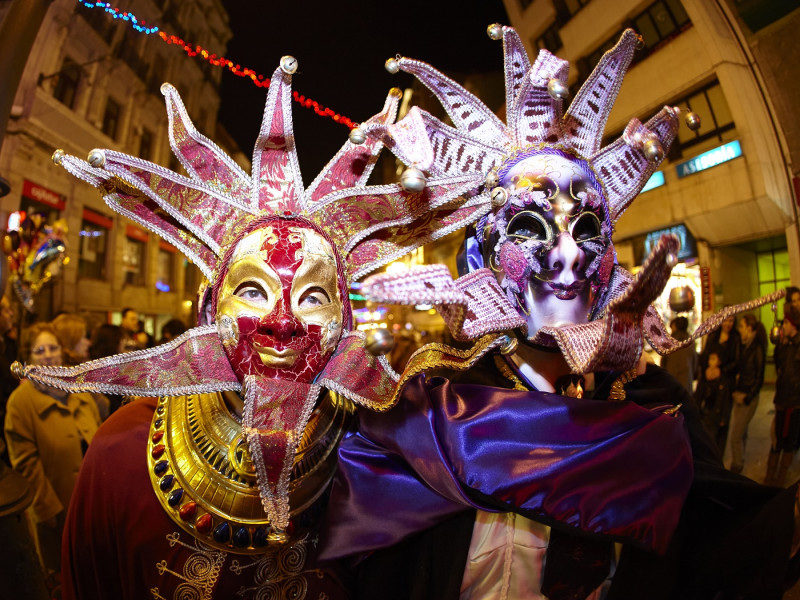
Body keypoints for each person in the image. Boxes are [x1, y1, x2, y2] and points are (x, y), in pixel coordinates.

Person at [320, 26, 799, 599]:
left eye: (588, 229)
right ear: (481, 256)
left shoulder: (655, 408)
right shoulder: (432, 410)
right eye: (530, 227)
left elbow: (719, 550)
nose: (568, 257)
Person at [30, 56, 484, 599]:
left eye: (314, 295)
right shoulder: (120, 454)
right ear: (207, 310)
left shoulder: (378, 462)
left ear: (346, 322)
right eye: (251, 290)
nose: (283, 321)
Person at [3, 322, 101, 593]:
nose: (47, 355)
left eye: (52, 347)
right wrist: (49, 513)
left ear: (62, 351)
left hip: (90, 511)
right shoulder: (20, 403)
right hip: (56, 515)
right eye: (39, 350)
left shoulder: (79, 390)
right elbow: (26, 464)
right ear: (29, 357)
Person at [728, 313, 767, 474]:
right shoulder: (746, 345)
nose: (739, 330)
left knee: (735, 436)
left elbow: (759, 377)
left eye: (742, 327)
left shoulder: (756, 348)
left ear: (749, 329)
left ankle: (737, 465)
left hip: (747, 397)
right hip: (740, 394)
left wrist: (747, 397)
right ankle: (741, 459)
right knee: (741, 432)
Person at [766, 305, 800, 485]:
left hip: (794, 403)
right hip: (781, 400)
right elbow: (779, 365)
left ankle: (780, 478)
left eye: (786, 322)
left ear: (794, 325)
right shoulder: (784, 345)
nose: (783, 325)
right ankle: (769, 476)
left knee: (789, 442)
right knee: (775, 440)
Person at [697, 313, 740, 452]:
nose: (728, 324)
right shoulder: (713, 335)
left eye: (731, 321)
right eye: (726, 320)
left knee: (722, 420)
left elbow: (737, 362)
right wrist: (707, 370)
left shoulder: (735, 338)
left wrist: (721, 371)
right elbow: (704, 357)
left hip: (725, 382)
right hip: (709, 382)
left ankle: (718, 454)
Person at [694, 350, 728, 453]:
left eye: (714, 359)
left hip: (714, 416)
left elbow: (724, 400)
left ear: (719, 362)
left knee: (712, 443)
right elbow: (698, 395)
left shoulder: (722, 380)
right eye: (710, 359)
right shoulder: (704, 377)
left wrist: (724, 417)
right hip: (704, 413)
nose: (711, 361)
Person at [660, 316, 697, 393]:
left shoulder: (669, 342)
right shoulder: (691, 341)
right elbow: (694, 362)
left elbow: (663, 362)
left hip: (671, 380)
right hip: (687, 379)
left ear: (675, 326)